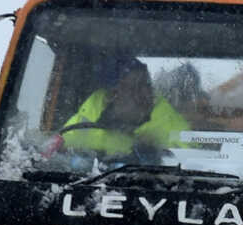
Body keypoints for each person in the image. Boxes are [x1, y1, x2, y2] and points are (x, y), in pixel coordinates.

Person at [58, 58, 189, 159]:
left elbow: (190, 159)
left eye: (146, 84)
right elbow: (55, 150)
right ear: (112, 94)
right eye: (133, 88)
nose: (144, 93)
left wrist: (157, 150)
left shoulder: (170, 120)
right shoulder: (87, 115)